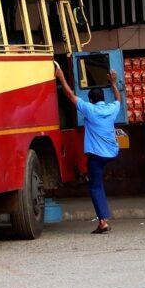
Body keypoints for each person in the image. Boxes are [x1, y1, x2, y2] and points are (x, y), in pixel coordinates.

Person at [54, 64, 122, 233]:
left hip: (97, 156)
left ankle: (103, 222)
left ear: (91, 100)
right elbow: (119, 99)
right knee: (98, 184)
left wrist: (60, 76)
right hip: (112, 153)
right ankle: (103, 218)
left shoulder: (90, 110)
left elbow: (70, 95)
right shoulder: (112, 109)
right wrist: (113, 82)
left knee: (95, 187)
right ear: (102, 99)